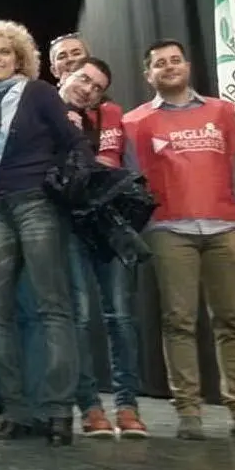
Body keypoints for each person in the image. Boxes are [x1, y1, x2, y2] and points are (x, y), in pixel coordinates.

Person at [123, 39, 235, 441]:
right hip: (169, 230)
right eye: (159, 63)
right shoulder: (135, 122)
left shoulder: (224, 112)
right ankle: (189, 412)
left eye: (175, 60)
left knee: (231, 321)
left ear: (188, 65)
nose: (169, 67)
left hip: (225, 228)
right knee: (179, 322)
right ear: (149, 75)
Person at [0, 19, 83, 445]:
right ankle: (14, 410)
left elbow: (74, 144)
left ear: (20, 57)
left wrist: (57, 181)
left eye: (4, 52)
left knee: (53, 307)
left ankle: (57, 411)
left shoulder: (39, 93)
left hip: (38, 204)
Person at [59, 57, 149, 438]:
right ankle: (90, 406)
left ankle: (127, 405)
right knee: (78, 316)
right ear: (65, 75)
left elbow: (124, 165)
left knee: (121, 316)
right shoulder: (44, 107)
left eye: (97, 87)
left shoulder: (111, 115)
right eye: (84, 80)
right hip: (68, 223)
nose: (89, 89)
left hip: (109, 224)